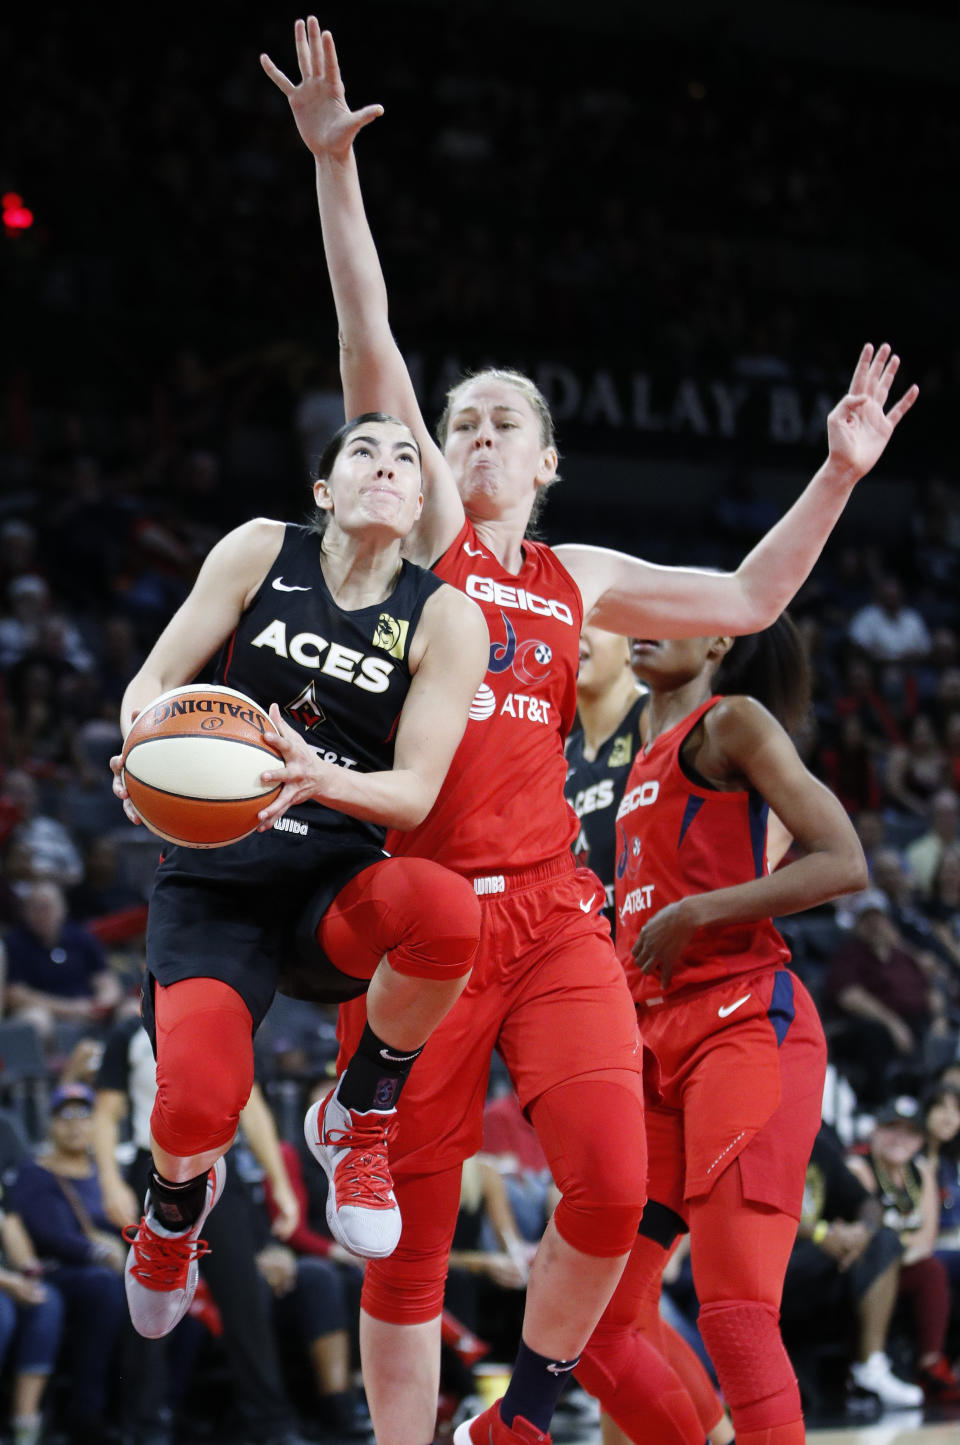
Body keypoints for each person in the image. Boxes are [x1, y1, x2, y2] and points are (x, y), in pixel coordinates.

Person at [261, 19, 918, 1445]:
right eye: (464, 422)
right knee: (408, 1242)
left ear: (549, 461)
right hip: (432, 914)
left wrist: (835, 474)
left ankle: (525, 1409)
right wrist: (333, 175)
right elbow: (368, 339)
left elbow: (748, 594)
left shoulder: (583, 577)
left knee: (615, 1190)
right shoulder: (434, 537)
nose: (478, 438)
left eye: (505, 425)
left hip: (554, 916)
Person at [109, 410, 490, 1341]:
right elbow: (154, 680)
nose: (388, 466)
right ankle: (172, 1209)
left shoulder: (445, 615)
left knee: (445, 909)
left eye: (407, 458)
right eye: (364, 450)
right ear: (325, 490)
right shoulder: (258, 551)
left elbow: (414, 793)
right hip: (217, 875)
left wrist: (326, 779)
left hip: (334, 874)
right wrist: (136, 752)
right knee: (197, 1101)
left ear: (418, 504)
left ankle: (358, 1114)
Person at [573, 617, 867, 1445]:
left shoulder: (731, 720)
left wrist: (702, 910)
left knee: (736, 1314)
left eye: (675, 617)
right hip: (655, 1045)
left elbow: (843, 857)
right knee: (592, 1324)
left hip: (745, 1025)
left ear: (718, 645)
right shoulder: (636, 759)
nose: (642, 627)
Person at [92, 1012, 313, 1445]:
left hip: (215, 1167)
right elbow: (106, 1112)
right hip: (150, 1169)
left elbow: (253, 1109)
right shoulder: (129, 1031)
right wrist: (110, 1181)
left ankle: (271, 1422)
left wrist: (281, 1186)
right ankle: (145, 1425)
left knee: (244, 1298)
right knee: (150, 1298)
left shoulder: (227, 1025)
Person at [11, 1082, 128, 1445]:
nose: (76, 1125)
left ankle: (156, 1410)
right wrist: (99, 1252)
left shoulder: (105, 1175)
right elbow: (51, 1234)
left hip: (106, 1270)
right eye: (65, 1116)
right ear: (51, 1124)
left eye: (84, 1115)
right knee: (104, 1285)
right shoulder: (36, 1172)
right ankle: (85, 1410)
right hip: (56, 1272)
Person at [781, 1122, 922, 1411]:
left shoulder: (819, 1146)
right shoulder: (760, 1145)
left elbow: (868, 1203)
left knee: (883, 1240)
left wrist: (862, 1233)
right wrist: (821, 1234)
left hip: (822, 1264)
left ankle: (870, 1364)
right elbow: (759, 1211)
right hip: (774, 1264)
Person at [846, 1095, 960, 1403]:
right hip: (862, 1269)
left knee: (933, 1269)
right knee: (895, 1252)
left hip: (906, 1264)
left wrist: (902, 1250)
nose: (900, 1138)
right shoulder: (860, 1167)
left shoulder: (920, 1173)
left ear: (919, 1139)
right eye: (891, 1128)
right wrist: (899, 1250)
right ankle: (873, 1364)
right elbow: (867, 1236)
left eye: (909, 1132)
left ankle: (933, 1364)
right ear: (875, 1131)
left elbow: (927, 1236)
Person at [564, 626, 648, 921]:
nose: (577, 631)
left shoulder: (652, 717)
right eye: (574, 619)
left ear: (633, 646)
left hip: (654, 949)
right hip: (598, 950)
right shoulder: (562, 752)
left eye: (595, 620)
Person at [0, 1181, 64, 1445]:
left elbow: (11, 1226)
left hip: (7, 1279)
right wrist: (8, 1281)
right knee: (2, 1315)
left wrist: (29, 1271)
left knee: (46, 1301)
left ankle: (25, 1427)